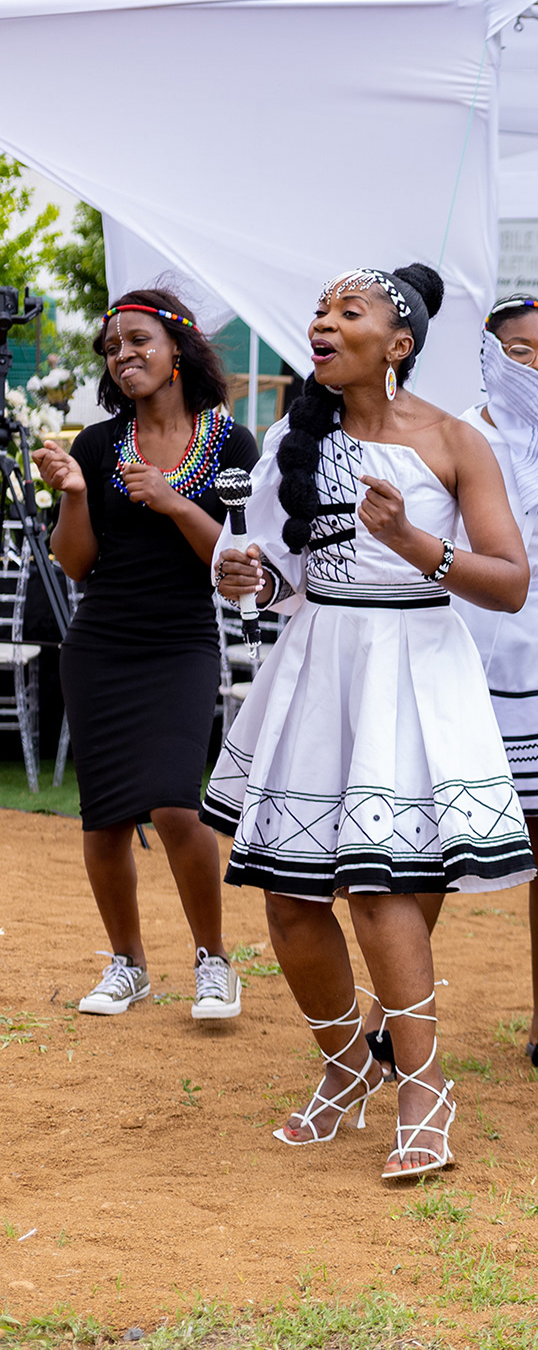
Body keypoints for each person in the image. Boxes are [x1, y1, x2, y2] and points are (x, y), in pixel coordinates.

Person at [204, 264, 535, 1181]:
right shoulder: (292, 440)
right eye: (320, 311)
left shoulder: (458, 441)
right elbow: (278, 568)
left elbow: (511, 584)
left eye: (348, 312)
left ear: (399, 345)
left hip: (413, 673)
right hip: (318, 667)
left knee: (380, 886)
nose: (323, 324)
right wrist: (249, 576)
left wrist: (413, 542)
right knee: (287, 894)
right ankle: (347, 1064)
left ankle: (424, 1089)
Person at [360, 299, 538, 1083]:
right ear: (488, 357)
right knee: (432, 844)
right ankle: (389, 1022)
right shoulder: (449, 434)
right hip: (457, 641)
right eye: (521, 350)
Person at [32, 290, 259, 1021]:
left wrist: (172, 500)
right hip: (99, 645)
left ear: (178, 348)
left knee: (174, 804)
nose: (122, 354)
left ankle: (214, 961)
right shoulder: (98, 445)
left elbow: (234, 562)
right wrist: (74, 493)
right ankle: (128, 965)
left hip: (181, 643)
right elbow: (75, 565)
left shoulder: (233, 444)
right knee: (102, 818)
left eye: (137, 340)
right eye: (111, 347)